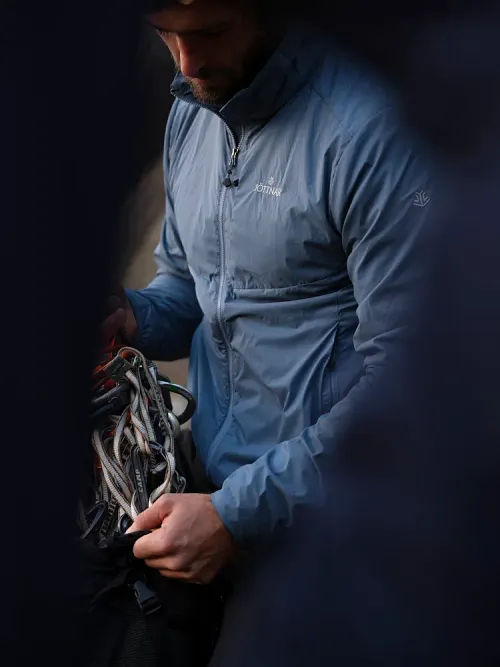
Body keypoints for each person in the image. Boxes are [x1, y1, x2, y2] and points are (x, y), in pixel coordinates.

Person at [104, 0, 434, 584]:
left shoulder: (373, 131)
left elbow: (409, 384)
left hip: (330, 540)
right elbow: (190, 288)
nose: (188, 63)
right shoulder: (192, 112)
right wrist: (129, 316)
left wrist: (236, 517)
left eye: (211, 32)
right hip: (205, 502)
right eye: (166, 35)